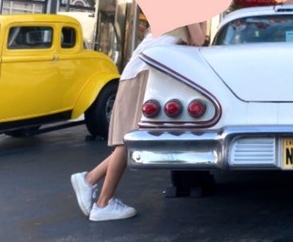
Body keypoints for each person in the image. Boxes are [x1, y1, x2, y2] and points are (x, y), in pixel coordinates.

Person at [71, 21, 207, 221]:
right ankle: (103, 203)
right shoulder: (186, 10)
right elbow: (199, 40)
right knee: (128, 140)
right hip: (142, 74)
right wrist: (200, 19)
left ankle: (90, 180)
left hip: (143, 72)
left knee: (131, 140)